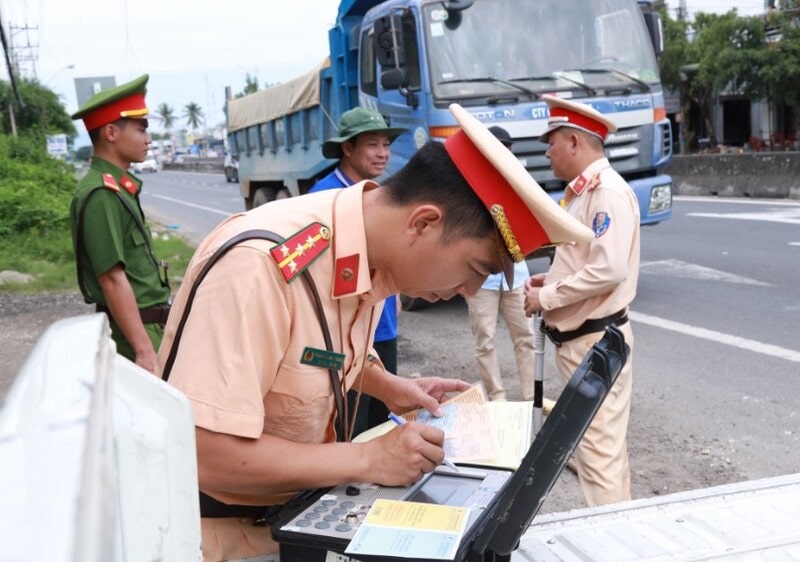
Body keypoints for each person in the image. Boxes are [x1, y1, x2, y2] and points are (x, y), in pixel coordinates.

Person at [156, 102, 592, 561]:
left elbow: (311, 351)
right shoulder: (261, 268)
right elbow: (206, 451)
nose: (467, 291)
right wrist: (370, 459)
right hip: (226, 537)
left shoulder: (366, 253)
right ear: (422, 223)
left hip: (292, 517)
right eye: (473, 269)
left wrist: (387, 386)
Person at [523, 94, 640, 507]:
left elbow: (609, 270)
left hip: (595, 343)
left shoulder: (604, 192)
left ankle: (608, 544)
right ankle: (621, 533)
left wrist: (548, 295)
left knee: (597, 459)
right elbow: (587, 260)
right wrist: (551, 277)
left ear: (574, 142)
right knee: (605, 450)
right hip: (587, 343)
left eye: (551, 142)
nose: (548, 153)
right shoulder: (582, 193)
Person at [309, 107, 407, 432]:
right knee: (349, 426)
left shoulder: (378, 195)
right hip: (345, 335)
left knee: (383, 422)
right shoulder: (324, 197)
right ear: (347, 149)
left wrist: (394, 295)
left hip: (382, 330)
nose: (382, 154)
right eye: (372, 145)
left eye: (385, 145)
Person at [69, 74, 170, 374]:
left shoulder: (118, 188)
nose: (148, 139)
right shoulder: (101, 193)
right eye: (141, 130)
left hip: (147, 327)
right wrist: (144, 351)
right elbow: (111, 279)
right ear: (111, 132)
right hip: (135, 335)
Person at [465, 126, 535, 401]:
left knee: (526, 336)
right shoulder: (470, 183)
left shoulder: (519, 182)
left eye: (507, 148)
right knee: (485, 340)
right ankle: (498, 397)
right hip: (482, 276)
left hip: (516, 274)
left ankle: (531, 397)